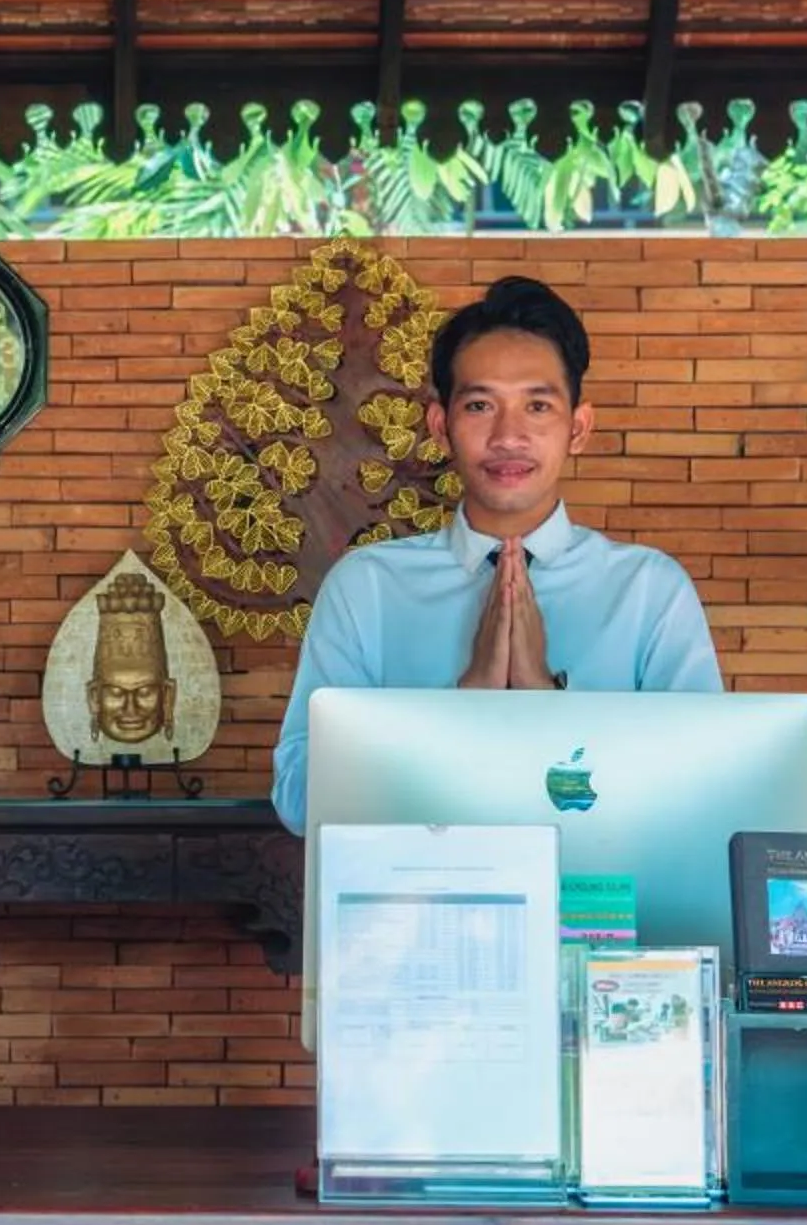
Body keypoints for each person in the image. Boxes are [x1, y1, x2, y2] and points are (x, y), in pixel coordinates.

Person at [270, 275, 720, 831]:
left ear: (578, 428)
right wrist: (465, 705)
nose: (509, 435)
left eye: (538, 405)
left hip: (595, 888)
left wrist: (546, 701)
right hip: (421, 887)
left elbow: (701, 794)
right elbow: (299, 800)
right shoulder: (367, 589)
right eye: (481, 405)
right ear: (441, 426)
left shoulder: (650, 592)